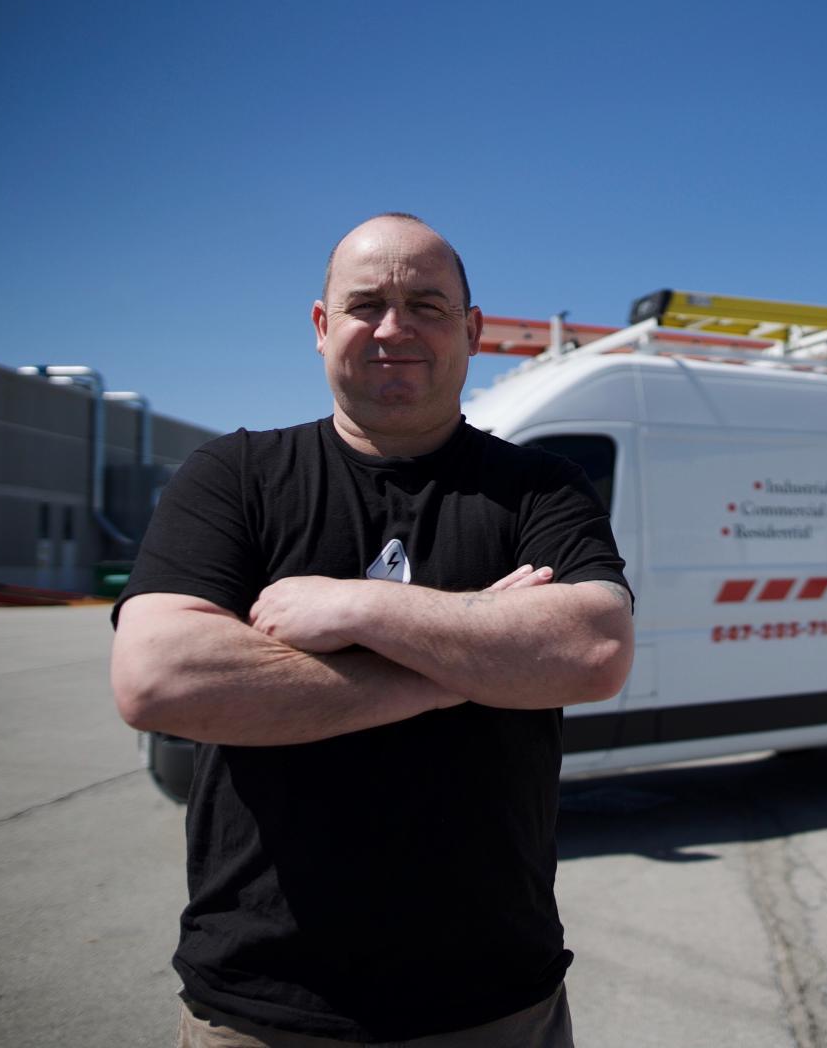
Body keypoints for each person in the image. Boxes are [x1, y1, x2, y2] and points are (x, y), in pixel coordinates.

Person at [111, 213, 634, 1046]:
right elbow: (161, 679)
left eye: (427, 305)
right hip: (262, 1007)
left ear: (473, 332)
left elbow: (593, 649)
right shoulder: (234, 476)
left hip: (495, 1002)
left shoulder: (540, 488)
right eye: (366, 304)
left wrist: (356, 607)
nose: (395, 328)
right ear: (322, 328)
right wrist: (470, 665)